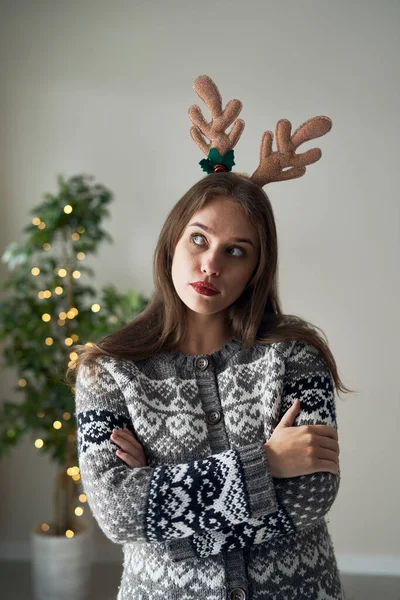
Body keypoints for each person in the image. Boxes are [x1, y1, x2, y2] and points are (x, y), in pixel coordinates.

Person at [67, 76, 353, 600]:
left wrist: (168, 511)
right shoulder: (107, 370)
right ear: (173, 240)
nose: (210, 264)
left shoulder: (294, 354)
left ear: (255, 268)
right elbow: (117, 513)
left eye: (236, 251)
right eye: (199, 238)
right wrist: (266, 462)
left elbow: (312, 496)